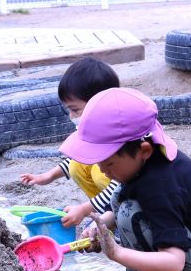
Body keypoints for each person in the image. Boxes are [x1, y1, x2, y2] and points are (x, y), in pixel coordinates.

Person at [60, 88, 191, 271]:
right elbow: (118, 209)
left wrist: (117, 253)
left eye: (108, 163)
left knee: (131, 214)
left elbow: (174, 263)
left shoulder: (161, 185)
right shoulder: (143, 164)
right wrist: (100, 228)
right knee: (119, 199)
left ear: (144, 150)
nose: (104, 171)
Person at [19, 57, 121, 227]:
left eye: (75, 110)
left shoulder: (119, 133)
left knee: (99, 171)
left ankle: (114, 214)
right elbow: (79, 157)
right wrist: (48, 176)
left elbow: (120, 185)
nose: (72, 117)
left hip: (131, 193)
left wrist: (84, 209)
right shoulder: (95, 128)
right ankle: (107, 214)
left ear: (99, 103)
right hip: (112, 196)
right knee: (77, 165)